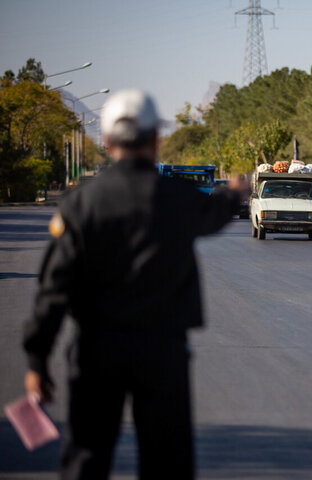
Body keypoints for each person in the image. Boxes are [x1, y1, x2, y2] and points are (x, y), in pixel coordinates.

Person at [22, 90, 244, 480]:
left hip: (96, 353)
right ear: (156, 138)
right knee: (166, 463)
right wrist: (236, 192)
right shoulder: (177, 198)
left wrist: (37, 359)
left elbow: (53, 289)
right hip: (163, 353)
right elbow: (215, 213)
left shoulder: (82, 204)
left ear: (106, 143)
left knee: (86, 460)